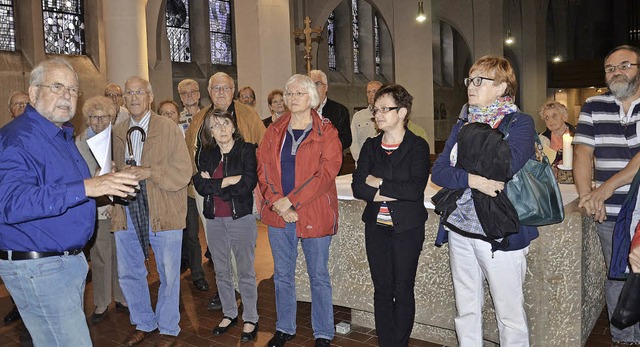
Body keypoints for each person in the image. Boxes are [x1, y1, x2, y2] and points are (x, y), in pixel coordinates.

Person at [0, 58, 138, 346]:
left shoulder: (59, 135)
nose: (67, 95)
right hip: (39, 267)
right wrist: (89, 185)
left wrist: (103, 182)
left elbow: (67, 189)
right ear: (34, 92)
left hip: (63, 263)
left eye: (74, 90)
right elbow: (12, 203)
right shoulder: (18, 139)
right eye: (57, 86)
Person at [431, 55, 537, 346]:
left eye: (480, 80)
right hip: (459, 230)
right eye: (470, 79)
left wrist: (465, 156)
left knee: (509, 314)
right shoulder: (461, 124)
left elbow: (506, 166)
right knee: (465, 310)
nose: (471, 86)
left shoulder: (520, 123)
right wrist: (473, 180)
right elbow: (439, 173)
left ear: (502, 87)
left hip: (499, 230)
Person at [257, 74, 342, 347]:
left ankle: (323, 333)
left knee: (318, 275)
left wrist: (291, 201)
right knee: (282, 274)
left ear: (312, 98)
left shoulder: (326, 131)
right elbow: (264, 170)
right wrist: (278, 202)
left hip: (314, 212)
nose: (292, 99)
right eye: (289, 94)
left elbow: (326, 173)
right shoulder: (274, 131)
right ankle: (285, 327)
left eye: (299, 94)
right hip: (279, 214)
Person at [112, 76, 192, 347]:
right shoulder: (118, 131)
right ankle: (144, 321)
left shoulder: (168, 128)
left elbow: (184, 171)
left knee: (168, 272)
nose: (133, 98)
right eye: (128, 93)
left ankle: (168, 327)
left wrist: (149, 172)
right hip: (127, 209)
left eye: (139, 93)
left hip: (163, 208)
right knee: (129, 271)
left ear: (149, 97)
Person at [351, 84, 430, 347]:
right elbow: (358, 186)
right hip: (376, 228)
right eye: (376, 109)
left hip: (407, 228)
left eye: (386, 108)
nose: (378, 113)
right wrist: (389, 188)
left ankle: (400, 343)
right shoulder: (371, 146)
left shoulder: (417, 146)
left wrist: (379, 182)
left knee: (403, 289)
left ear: (403, 111)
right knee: (382, 290)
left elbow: (414, 189)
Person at [574, 45, 640, 345]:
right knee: (616, 275)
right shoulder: (593, 105)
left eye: (625, 65)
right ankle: (623, 338)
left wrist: (605, 187)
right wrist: (588, 195)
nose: (617, 72)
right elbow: (583, 152)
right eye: (610, 68)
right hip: (609, 209)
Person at [185, 72, 265, 310]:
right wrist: (197, 179)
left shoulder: (248, 115)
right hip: (206, 192)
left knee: (240, 244)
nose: (221, 92)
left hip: (240, 191)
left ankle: (243, 287)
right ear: (209, 92)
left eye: (226, 88)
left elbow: (263, 148)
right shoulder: (199, 119)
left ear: (233, 90)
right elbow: (189, 153)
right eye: (216, 88)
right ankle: (226, 288)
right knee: (216, 243)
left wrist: (253, 181)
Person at [192, 108, 259, 341]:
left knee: (245, 271)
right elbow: (200, 185)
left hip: (241, 217)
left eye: (225, 124)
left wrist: (217, 185)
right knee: (221, 270)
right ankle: (229, 313)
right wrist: (228, 181)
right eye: (215, 125)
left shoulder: (247, 150)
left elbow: (249, 182)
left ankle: (250, 318)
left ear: (233, 126)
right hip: (214, 218)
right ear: (210, 131)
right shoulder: (206, 154)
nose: (221, 129)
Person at [76, 96, 129, 324]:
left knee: (120, 254)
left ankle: (121, 296)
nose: (99, 122)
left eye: (104, 117)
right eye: (94, 117)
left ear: (112, 118)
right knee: (99, 256)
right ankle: (100, 302)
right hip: (96, 208)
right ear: (88, 119)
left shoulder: (117, 139)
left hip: (118, 206)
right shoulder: (79, 143)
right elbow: (79, 178)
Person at [176, 79, 209, 292]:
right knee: (191, 234)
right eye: (184, 93)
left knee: (213, 230)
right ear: (180, 97)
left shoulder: (208, 115)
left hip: (207, 184)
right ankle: (197, 274)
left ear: (199, 94)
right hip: (187, 185)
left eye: (192, 92)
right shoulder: (174, 120)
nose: (189, 96)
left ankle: (217, 261)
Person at [309, 69, 352, 151]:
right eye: (311, 85)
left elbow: (346, 140)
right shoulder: (303, 110)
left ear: (326, 87)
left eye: (318, 84)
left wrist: (325, 145)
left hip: (331, 158)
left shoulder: (340, 110)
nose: (314, 88)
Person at [350, 81, 382, 162]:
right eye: (368, 92)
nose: (371, 94)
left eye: (374, 91)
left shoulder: (389, 115)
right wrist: (363, 160)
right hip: (363, 164)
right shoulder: (358, 116)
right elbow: (353, 142)